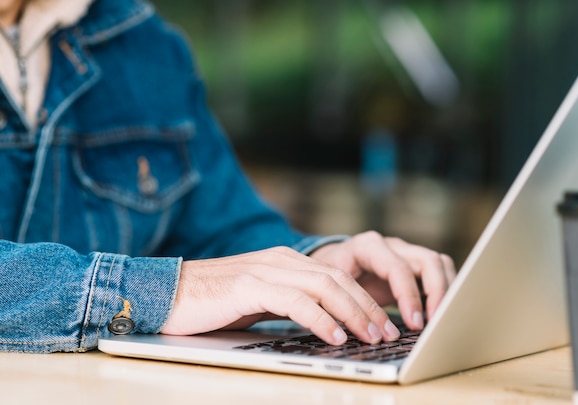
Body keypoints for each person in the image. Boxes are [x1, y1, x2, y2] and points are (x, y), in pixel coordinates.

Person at [0, 0, 456, 354]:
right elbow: (184, 285)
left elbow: (217, 224)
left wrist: (320, 265)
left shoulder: (145, 44)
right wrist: (166, 292)